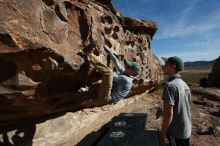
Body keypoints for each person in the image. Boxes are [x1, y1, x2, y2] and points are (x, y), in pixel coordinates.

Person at [159, 56, 192, 146]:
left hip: (176, 131)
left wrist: (162, 133)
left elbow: (169, 113)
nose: (163, 66)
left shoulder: (170, 85)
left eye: (166, 64)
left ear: (173, 66)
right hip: (186, 128)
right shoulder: (185, 84)